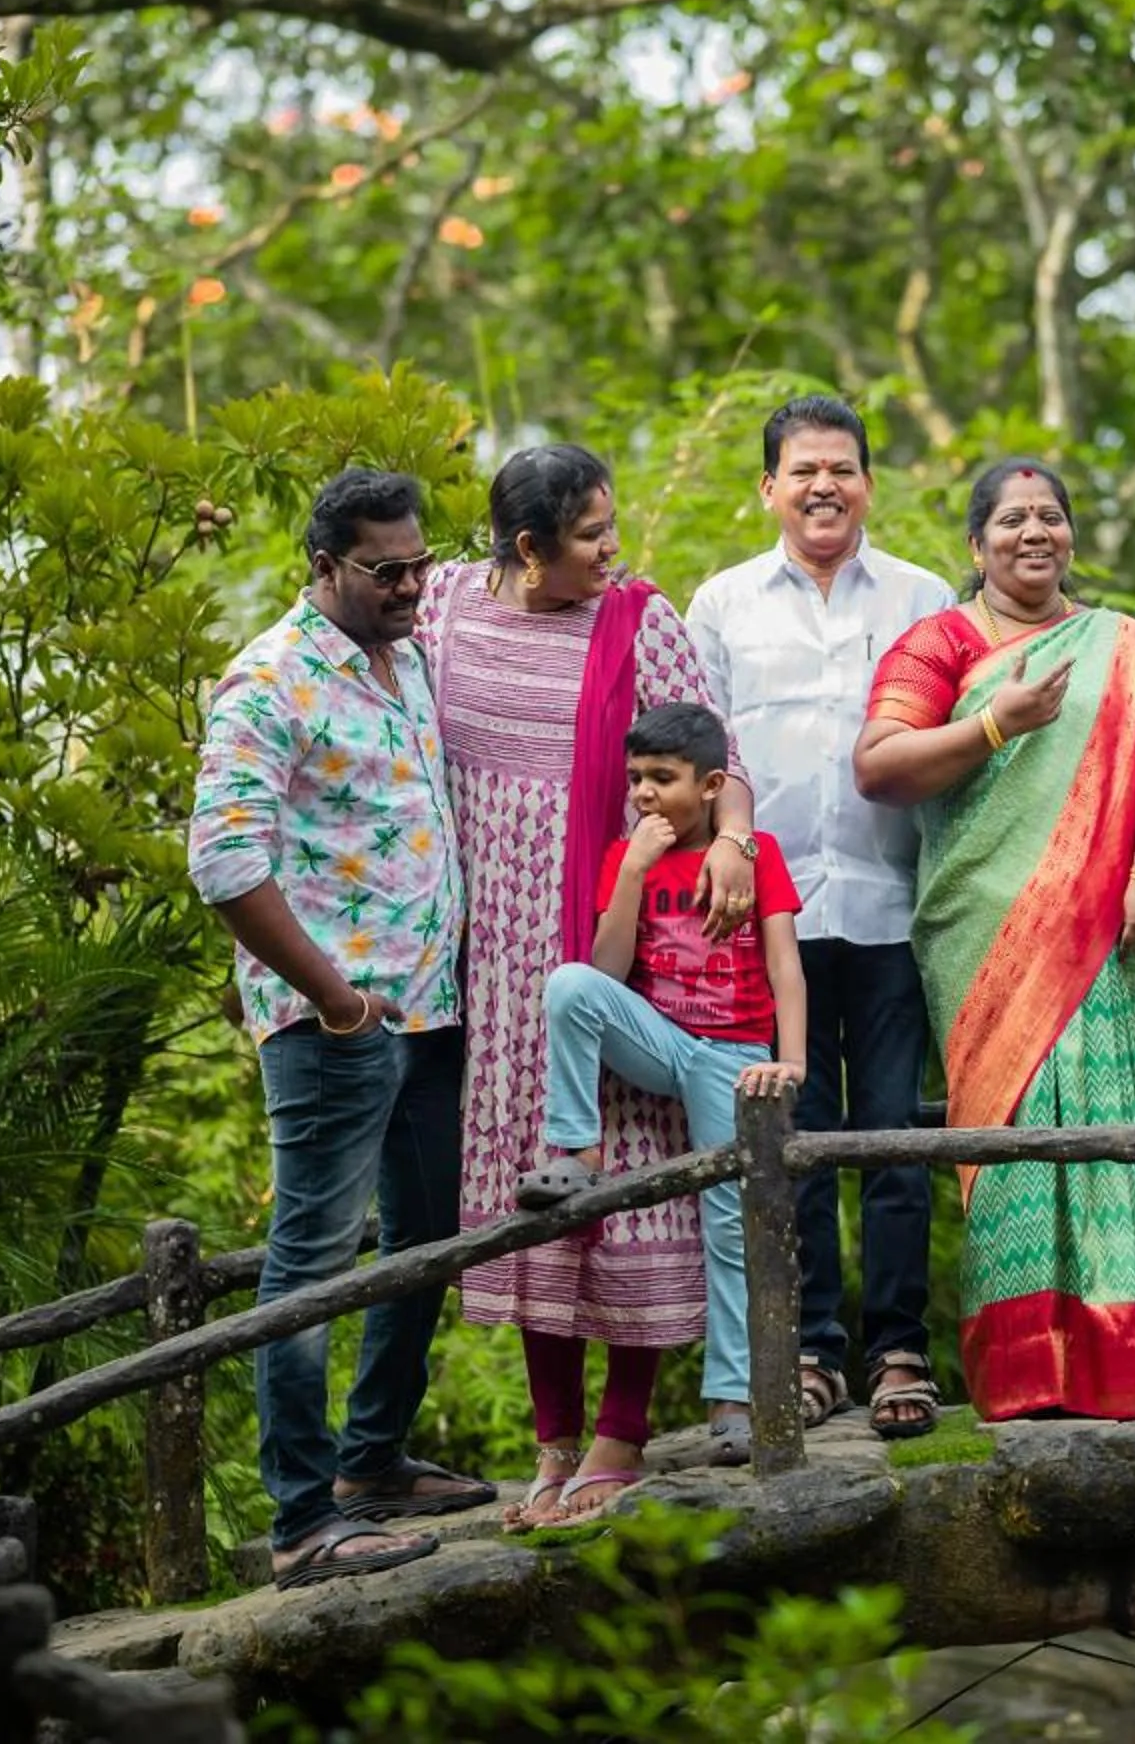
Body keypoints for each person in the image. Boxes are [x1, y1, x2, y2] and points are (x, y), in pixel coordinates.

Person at [415, 444, 760, 1532]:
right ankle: (551, 1444)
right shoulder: (444, 609)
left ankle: (624, 1432)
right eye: (593, 534)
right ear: (527, 548)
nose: (617, 549)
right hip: (488, 958)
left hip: (612, 942)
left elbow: (719, 756)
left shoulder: (639, 618)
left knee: (629, 1178)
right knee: (536, 1194)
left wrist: (734, 844)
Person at [187, 467, 493, 1591]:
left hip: (428, 1012)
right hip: (335, 1028)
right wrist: (333, 998)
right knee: (312, 1263)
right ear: (324, 566)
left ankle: (374, 1465)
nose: (414, 584)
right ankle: (303, 1516)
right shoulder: (269, 680)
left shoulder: (403, 656)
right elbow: (222, 858)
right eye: (386, 569)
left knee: (425, 1240)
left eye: (421, 562)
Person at [854, 460, 1135, 1420]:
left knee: (1129, 1139)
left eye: (1051, 516)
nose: (1034, 533)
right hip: (988, 949)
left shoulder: (1122, 644)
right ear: (976, 546)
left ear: (1072, 538)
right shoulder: (940, 643)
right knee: (1014, 1150)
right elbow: (879, 767)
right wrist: (991, 727)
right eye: (1011, 520)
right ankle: (1027, 1379)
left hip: (1125, 940)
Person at [685, 395, 954, 1439]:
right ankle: (807, 1351)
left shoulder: (927, 598)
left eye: (842, 468)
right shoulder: (721, 604)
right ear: (768, 488)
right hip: (768, 921)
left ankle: (897, 1352)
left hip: (893, 905)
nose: (823, 486)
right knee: (790, 1136)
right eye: (802, 471)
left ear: (869, 483)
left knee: (892, 1136)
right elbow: (705, 762)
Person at [512, 703, 807, 1507]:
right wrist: (635, 872)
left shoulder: (758, 856)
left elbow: (787, 968)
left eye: (662, 779)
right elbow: (604, 978)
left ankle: (734, 1399)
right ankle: (575, 1149)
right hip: (661, 1039)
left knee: (729, 1218)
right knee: (568, 982)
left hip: (736, 1057)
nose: (644, 794)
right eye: (636, 778)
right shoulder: (625, 856)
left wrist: (792, 1062)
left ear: (711, 786)